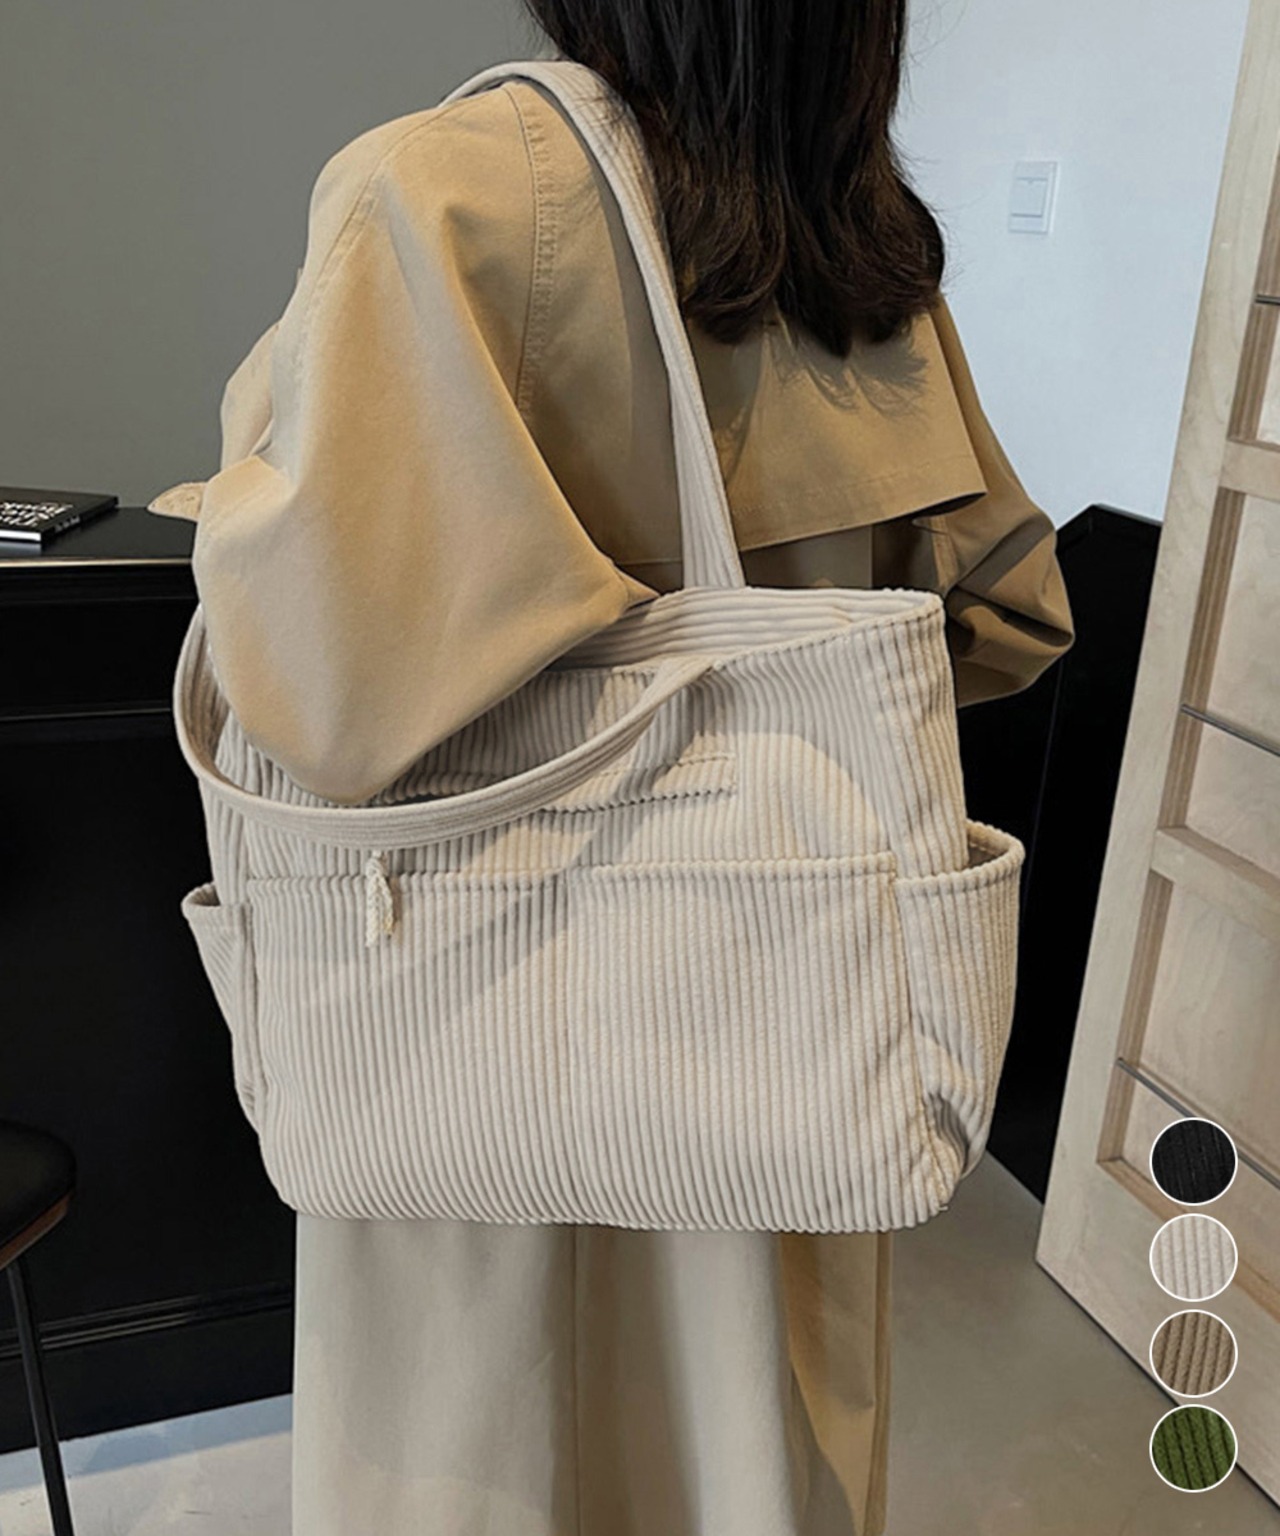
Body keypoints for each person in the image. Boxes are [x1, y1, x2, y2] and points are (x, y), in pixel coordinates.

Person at [150, 3, 1075, 1531]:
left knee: (486, 1449)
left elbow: (322, 688)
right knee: (750, 1450)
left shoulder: (442, 193)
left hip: (461, 1024)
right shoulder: (860, 253)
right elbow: (1001, 614)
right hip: (785, 1030)